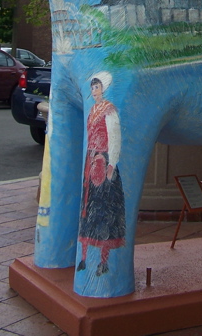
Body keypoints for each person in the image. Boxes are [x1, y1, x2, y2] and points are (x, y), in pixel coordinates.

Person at [77, 71, 126, 276]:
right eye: (92, 88)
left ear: (103, 89)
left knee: (105, 210)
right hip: (91, 161)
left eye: (97, 87)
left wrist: (111, 165)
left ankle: (104, 261)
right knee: (88, 208)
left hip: (103, 162)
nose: (94, 91)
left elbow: (114, 137)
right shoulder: (93, 110)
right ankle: (85, 257)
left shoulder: (108, 110)